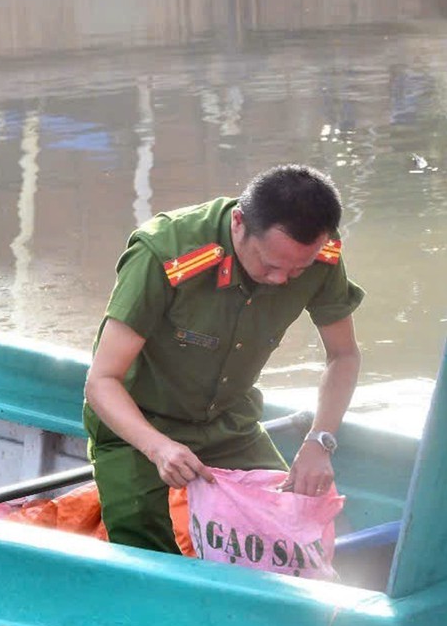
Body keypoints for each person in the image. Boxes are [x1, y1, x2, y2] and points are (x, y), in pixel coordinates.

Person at [83, 165, 364, 553]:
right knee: (145, 553)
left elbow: (344, 355)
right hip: (138, 426)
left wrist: (319, 441)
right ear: (238, 224)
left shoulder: (321, 256)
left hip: (229, 421)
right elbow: (101, 382)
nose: (282, 279)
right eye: (270, 265)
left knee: (292, 528)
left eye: (298, 269)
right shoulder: (166, 253)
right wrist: (158, 447)